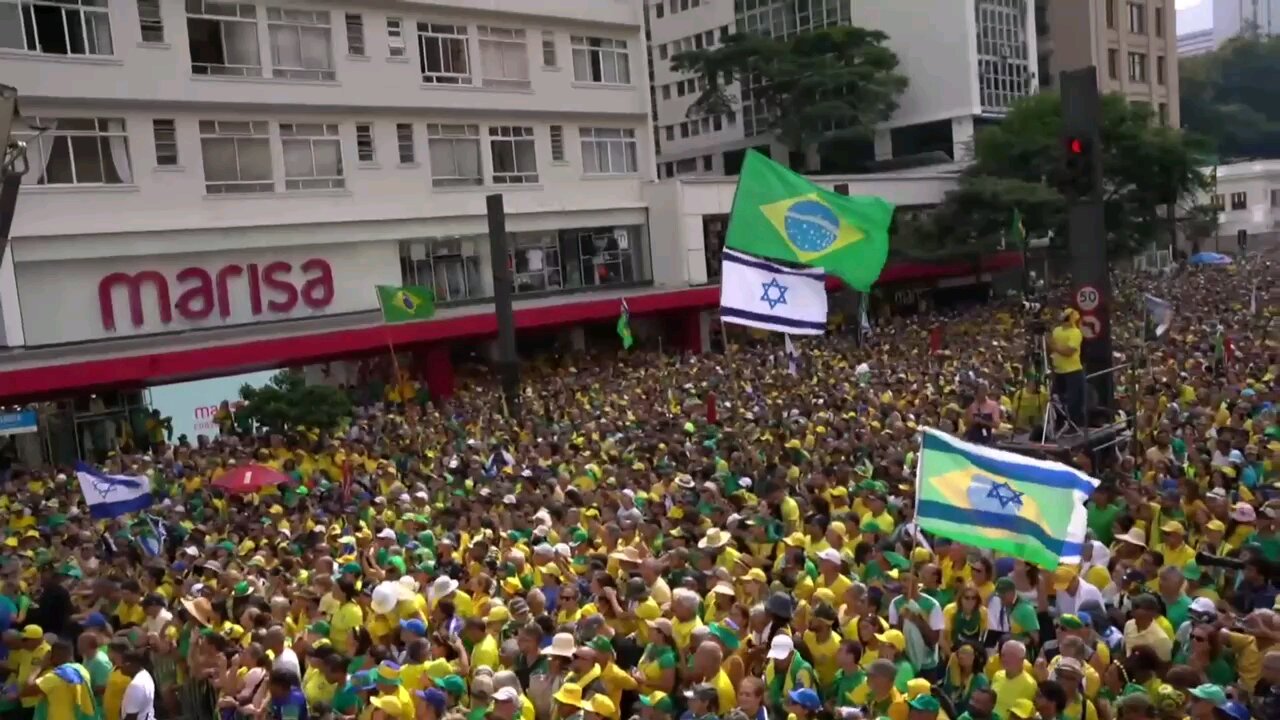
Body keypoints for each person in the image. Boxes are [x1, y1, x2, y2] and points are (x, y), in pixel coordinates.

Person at [1049, 308, 1085, 428]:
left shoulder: (1076, 333)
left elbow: (1069, 352)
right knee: (1057, 400)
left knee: (1073, 401)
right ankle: (1059, 423)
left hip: (1072, 371)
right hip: (1058, 371)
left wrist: (1054, 347)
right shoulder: (1056, 331)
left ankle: (1074, 425)